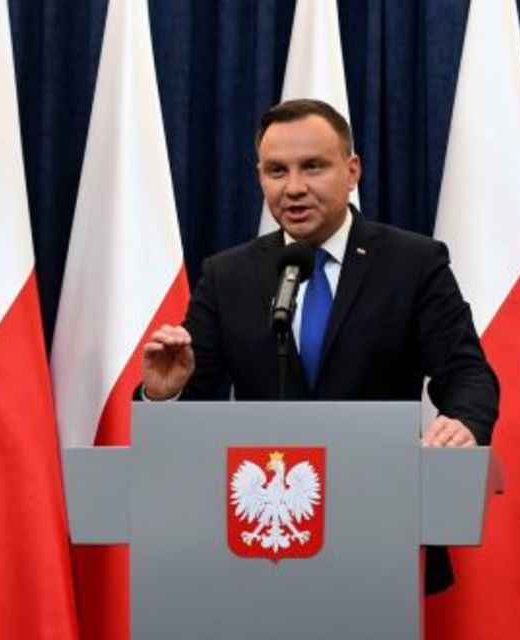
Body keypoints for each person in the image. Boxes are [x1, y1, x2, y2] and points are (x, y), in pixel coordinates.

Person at [140, 99, 499, 592]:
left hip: (380, 529)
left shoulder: (412, 263)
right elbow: (190, 416)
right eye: (276, 170)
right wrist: (166, 395)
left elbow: (467, 374)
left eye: (313, 166)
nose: (293, 187)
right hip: (256, 543)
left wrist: (462, 424)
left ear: (352, 171)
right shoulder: (228, 276)